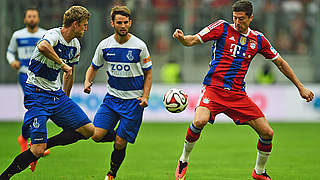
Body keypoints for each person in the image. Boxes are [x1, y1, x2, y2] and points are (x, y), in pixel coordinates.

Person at [172, 1, 314, 180]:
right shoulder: (222, 27)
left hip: (237, 95)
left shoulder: (258, 40)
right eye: (235, 18)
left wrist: (300, 87)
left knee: (267, 133)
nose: (237, 22)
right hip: (213, 88)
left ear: (250, 18)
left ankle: (259, 172)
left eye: (241, 19)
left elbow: (280, 63)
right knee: (200, 121)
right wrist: (182, 39)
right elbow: (192, 40)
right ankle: (183, 160)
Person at [0, 6, 94, 179]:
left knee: (88, 130)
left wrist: (66, 98)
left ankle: (46, 143)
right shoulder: (53, 35)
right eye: (84, 25)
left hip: (56, 95)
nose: (85, 28)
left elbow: (69, 73)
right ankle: (4, 176)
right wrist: (62, 64)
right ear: (75, 24)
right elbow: (43, 46)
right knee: (37, 150)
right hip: (36, 93)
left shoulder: (75, 45)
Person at [84, 6, 152, 180]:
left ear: (130, 23)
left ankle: (111, 173)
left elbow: (148, 73)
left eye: (125, 22)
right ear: (112, 23)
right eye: (119, 22)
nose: (123, 25)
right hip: (112, 99)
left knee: (120, 144)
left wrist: (145, 96)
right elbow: (93, 67)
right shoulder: (104, 45)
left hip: (133, 102)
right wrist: (87, 81)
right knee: (96, 135)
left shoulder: (139, 46)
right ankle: (121, 135)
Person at [6, 8, 49, 156]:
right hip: (25, 75)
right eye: (29, 16)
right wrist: (13, 61)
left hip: (41, 76)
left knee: (37, 106)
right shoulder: (18, 35)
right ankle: (34, 141)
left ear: (38, 18)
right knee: (35, 105)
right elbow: (10, 52)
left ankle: (27, 139)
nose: (32, 19)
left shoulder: (45, 35)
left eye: (34, 16)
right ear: (25, 19)